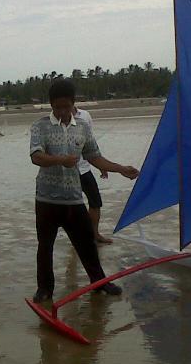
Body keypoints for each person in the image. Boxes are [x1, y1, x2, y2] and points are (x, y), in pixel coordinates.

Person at [29, 79, 139, 303]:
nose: (61, 111)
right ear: (50, 105)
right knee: (45, 246)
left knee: (87, 242)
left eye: (65, 107)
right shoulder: (39, 126)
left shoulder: (83, 127)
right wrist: (61, 160)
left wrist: (120, 169)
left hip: (73, 199)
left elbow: (94, 156)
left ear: (73, 104)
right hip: (46, 199)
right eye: (56, 107)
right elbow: (35, 156)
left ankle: (99, 282)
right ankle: (45, 289)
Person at [74, 106, 112, 244]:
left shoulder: (85, 115)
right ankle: (78, 236)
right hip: (66, 173)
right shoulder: (55, 118)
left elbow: (92, 142)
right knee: (72, 206)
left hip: (85, 168)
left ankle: (94, 234)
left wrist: (101, 166)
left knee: (95, 201)